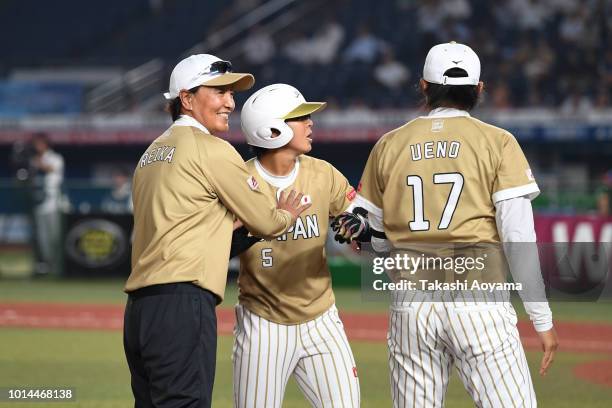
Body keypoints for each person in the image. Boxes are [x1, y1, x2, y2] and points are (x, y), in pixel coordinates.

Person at [333, 42, 559, 407]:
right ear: (479, 88)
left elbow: (368, 234)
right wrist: (541, 318)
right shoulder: (498, 142)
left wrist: (370, 238)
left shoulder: (389, 144)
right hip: (478, 302)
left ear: (423, 86)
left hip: (412, 307)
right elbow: (518, 237)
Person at [123, 54, 310, 408]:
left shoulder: (151, 153)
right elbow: (267, 220)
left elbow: (186, 231)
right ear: (187, 99)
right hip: (182, 303)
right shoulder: (212, 149)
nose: (230, 102)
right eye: (219, 91)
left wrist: (231, 227)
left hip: (140, 310)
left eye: (231, 93)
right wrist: (284, 214)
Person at [232, 83, 361, 407]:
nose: (310, 122)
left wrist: (361, 229)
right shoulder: (237, 181)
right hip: (263, 323)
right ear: (271, 130)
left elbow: (360, 223)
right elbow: (217, 246)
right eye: (300, 117)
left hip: (321, 319)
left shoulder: (323, 174)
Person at [29, 132, 64, 276]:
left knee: (55, 237)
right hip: (39, 202)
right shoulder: (34, 160)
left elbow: (52, 169)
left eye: (40, 143)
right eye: (36, 144)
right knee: (42, 239)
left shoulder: (55, 158)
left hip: (53, 203)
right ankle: (47, 268)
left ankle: (59, 268)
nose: (38, 146)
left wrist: (38, 163)